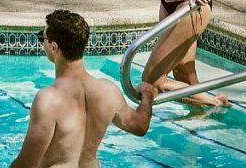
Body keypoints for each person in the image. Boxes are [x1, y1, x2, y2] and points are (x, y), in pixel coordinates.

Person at [10, 10, 155, 168]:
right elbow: (140, 126)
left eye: (42, 37)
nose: (41, 42)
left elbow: (25, 165)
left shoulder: (48, 100)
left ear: (54, 47)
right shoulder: (108, 91)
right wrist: (147, 95)